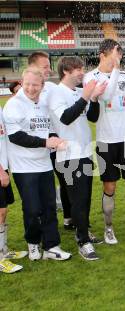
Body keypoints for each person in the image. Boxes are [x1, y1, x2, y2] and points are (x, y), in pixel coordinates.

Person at [84, 39, 125, 244]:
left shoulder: (124, 75)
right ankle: (108, 228)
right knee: (110, 187)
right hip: (106, 142)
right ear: (102, 55)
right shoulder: (91, 77)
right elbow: (105, 96)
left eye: (119, 54)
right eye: (115, 54)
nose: (118, 58)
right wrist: (115, 69)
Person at [4, 68, 71, 261]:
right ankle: (33, 244)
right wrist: (45, 143)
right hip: (24, 168)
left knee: (49, 207)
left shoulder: (43, 104)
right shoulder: (14, 105)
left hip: (44, 165)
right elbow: (16, 136)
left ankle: (52, 246)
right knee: (33, 208)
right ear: (21, 82)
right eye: (27, 84)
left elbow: (48, 131)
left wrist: (56, 139)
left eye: (35, 85)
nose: (31, 88)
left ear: (42, 86)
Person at [48, 56, 106, 260]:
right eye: (77, 69)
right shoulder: (57, 93)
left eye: (82, 68)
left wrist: (95, 98)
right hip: (69, 156)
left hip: (84, 153)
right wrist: (86, 97)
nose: (82, 72)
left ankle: (83, 231)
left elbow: (92, 117)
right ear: (66, 71)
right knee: (79, 200)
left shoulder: (81, 91)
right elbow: (65, 117)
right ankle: (83, 242)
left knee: (85, 198)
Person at [27, 51, 73, 229]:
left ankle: (69, 218)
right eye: (45, 66)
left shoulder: (54, 88)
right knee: (39, 184)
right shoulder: (26, 91)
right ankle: (40, 222)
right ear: (32, 67)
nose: (49, 69)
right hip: (35, 143)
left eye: (49, 66)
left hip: (55, 139)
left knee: (65, 179)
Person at [0, 101, 28, 273]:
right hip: (1, 169)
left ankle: (4, 250)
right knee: (0, 211)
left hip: (5, 166)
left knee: (4, 210)